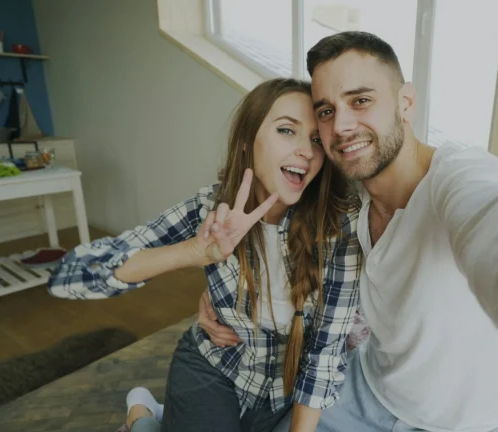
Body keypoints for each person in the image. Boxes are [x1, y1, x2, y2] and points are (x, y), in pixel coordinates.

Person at [201, 32, 498, 432]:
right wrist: (218, 284)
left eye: (361, 101)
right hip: (363, 390)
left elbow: (495, 220)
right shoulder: (348, 194)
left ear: (406, 103)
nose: (342, 126)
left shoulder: (459, 176)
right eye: (326, 111)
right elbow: (279, 237)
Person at [47, 78, 363, 432]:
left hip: (284, 394)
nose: (306, 150)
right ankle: (142, 414)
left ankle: (146, 417)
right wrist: (194, 252)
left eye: (317, 140)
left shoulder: (339, 229)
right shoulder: (208, 210)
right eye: (287, 130)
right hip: (212, 371)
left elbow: (325, 354)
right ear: (247, 140)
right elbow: (70, 276)